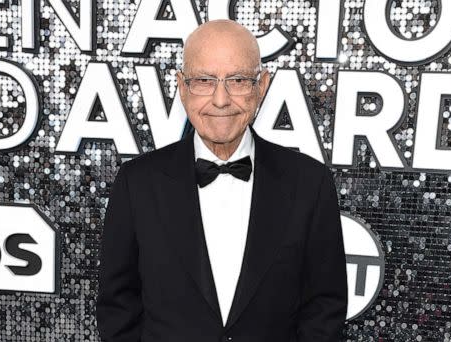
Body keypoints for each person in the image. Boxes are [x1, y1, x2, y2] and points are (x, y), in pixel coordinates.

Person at [96, 19, 348, 342]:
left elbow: (324, 310)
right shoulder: (137, 184)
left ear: (262, 86)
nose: (220, 99)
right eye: (203, 80)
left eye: (238, 80)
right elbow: (117, 308)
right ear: (182, 87)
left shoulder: (311, 185)